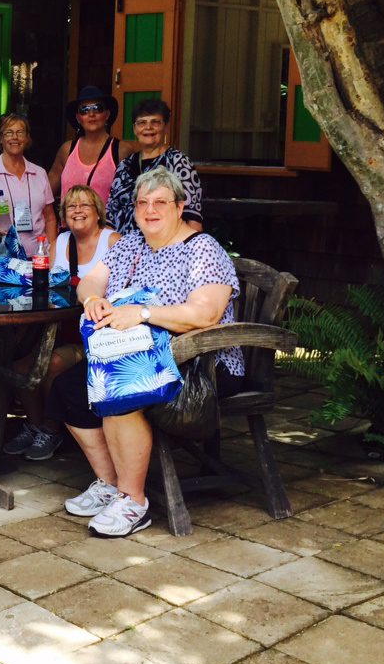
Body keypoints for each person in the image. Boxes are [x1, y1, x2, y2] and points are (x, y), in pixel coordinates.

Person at [50, 167, 243, 537]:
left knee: (121, 390)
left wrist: (141, 313)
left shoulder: (201, 249)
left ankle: (135, 501)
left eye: (160, 202)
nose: (150, 210)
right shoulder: (133, 244)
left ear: (180, 206)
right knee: (69, 388)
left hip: (201, 364)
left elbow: (206, 314)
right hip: (137, 354)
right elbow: (92, 279)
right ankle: (111, 484)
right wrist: (92, 299)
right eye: (143, 203)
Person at [4, 184, 120, 461]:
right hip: (59, 326)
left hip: (95, 334)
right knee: (19, 365)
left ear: (98, 212)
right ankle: (34, 424)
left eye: (84, 205)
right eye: (71, 206)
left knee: (53, 364)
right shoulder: (61, 242)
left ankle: (51, 429)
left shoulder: (112, 241)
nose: (77, 211)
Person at [106, 99, 204, 235]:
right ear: (135, 129)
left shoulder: (178, 162)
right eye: (142, 123)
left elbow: (193, 221)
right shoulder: (125, 165)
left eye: (155, 122)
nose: (148, 127)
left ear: (166, 127)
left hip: (164, 249)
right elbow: (110, 215)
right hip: (123, 248)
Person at [0, 114, 57, 258]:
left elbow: (50, 217)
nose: (14, 137)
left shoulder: (39, 173)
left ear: (27, 138)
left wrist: (52, 250)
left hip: (38, 255)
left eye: (20, 132)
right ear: (0, 138)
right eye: (9, 132)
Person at [49, 85, 127, 207]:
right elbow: (45, 195)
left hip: (107, 226)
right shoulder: (66, 150)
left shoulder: (120, 150)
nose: (91, 114)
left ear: (107, 114)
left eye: (97, 108)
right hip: (68, 225)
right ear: (78, 118)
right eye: (84, 110)